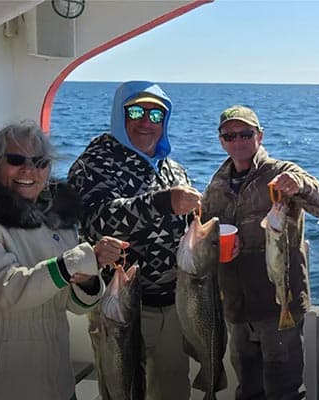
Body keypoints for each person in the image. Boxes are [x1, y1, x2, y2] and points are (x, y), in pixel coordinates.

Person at [0, 121, 125, 399]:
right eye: (15, 159)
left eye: (40, 162)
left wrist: (88, 279)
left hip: (52, 378)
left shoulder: (57, 226)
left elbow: (76, 305)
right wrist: (80, 260)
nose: (29, 170)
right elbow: (8, 290)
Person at [68, 81, 201, 400]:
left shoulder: (175, 171)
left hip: (171, 305)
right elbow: (97, 218)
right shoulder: (94, 163)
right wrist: (162, 202)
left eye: (156, 114)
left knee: (172, 389)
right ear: (119, 115)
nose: (145, 122)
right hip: (119, 305)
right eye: (136, 111)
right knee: (122, 390)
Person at [200, 105, 319, 400]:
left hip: (278, 306)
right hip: (236, 308)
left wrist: (300, 186)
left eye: (246, 133)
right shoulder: (216, 184)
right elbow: (205, 232)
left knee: (283, 390)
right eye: (230, 135)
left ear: (259, 136)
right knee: (248, 388)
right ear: (221, 140)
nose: (238, 141)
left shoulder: (282, 172)